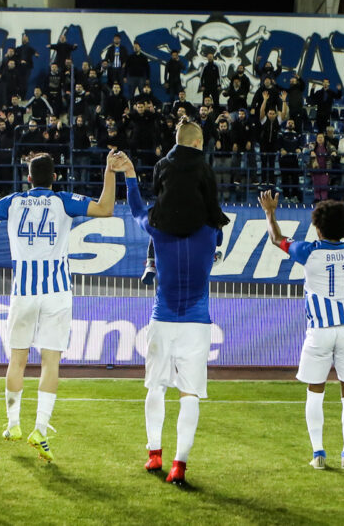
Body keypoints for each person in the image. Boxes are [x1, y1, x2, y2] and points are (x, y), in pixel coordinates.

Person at [0, 152, 117, 462]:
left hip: (22, 293)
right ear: (55, 177)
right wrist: (109, 171)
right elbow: (106, 208)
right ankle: (39, 429)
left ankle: (13, 425)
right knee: (51, 362)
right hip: (56, 292)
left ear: (28, 178)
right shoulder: (64, 200)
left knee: (17, 359)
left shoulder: (12, 201)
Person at [110, 151, 219, 486]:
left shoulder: (157, 229)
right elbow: (212, 207)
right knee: (190, 395)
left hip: (163, 320)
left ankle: (154, 454)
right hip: (197, 324)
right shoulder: (211, 230)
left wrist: (128, 173)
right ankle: (179, 465)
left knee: (155, 387)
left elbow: (138, 210)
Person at [261, 185, 344, 471]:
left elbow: (277, 239)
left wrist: (270, 213)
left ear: (318, 228)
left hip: (320, 332)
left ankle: (318, 453)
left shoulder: (309, 251)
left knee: (316, 392)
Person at [140, 120, 231, 284]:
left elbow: (155, 190)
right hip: (193, 224)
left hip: (166, 223)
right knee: (214, 217)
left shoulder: (161, 165)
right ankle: (212, 254)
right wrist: (219, 224)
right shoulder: (204, 168)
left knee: (155, 216)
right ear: (197, 142)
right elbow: (211, 201)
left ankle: (151, 262)